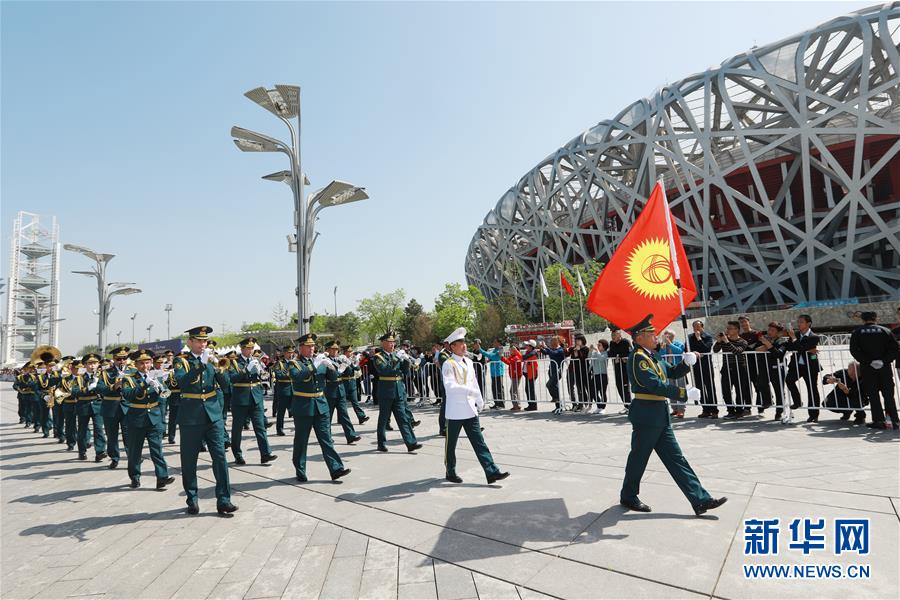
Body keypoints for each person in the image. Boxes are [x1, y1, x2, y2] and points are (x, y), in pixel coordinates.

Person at [619, 315, 727, 516]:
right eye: (651, 334)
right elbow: (654, 385)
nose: (655, 337)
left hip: (659, 415)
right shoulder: (638, 358)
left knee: (677, 459)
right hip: (647, 415)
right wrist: (684, 394)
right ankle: (628, 495)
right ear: (639, 338)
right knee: (639, 458)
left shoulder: (653, 356)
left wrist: (687, 363)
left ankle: (700, 500)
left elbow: (672, 372)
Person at [174, 326, 237, 516]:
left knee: (220, 458)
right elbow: (182, 382)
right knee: (189, 460)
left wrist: (218, 369)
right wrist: (200, 365)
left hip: (213, 415)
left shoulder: (211, 360)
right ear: (190, 342)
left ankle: (224, 500)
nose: (203, 344)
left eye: (205, 341)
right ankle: (192, 499)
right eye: (199, 341)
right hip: (191, 416)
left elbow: (226, 386)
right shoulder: (181, 361)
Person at [441, 327, 510, 484]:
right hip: (455, 411)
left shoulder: (469, 362)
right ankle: (450, 471)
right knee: (450, 445)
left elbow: (475, 383)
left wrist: (479, 399)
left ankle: (491, 471)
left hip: (470, 409)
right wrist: (469, 391)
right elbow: (449, 387)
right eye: (459, 343)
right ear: (452, 347)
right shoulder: (448, 364)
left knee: (479, 442)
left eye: (464, 342)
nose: (464, 346)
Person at [287, 334, 351, 482]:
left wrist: (336, 367)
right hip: (303, 406)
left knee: (326, 439)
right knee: (301, 441)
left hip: (321, 405)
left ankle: (336, 468)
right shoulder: (294, 364)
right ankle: (300, 469)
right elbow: (299, 376)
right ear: (301, 347)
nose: (312, 349)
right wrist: (315, 365)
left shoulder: (320, 361)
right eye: (308, 346)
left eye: (313, 346)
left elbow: (334, 378)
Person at [119, 349, 176, 490]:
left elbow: (165, 393)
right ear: (136, 364)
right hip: (136, 418)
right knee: (135, 452)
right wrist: (145, 383)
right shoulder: (129, 378)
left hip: (154, 417)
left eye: (148, 362)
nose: (146, 366)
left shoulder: (156, 375)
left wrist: (159, 387)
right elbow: (128, 395)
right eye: (142, 363)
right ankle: (135, 476)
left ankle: (162, 477)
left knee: (157, 450)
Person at [227, 337, 277, 465]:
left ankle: (265, 454)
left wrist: (262, 372)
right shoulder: (233, 363)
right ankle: (237, 454)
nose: (250, 351)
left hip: (256, 397)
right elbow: (232, 379)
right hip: (240, 398)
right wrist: (246, 370)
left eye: (251, 348)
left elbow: (263, 376)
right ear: (242, 349)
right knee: (237, 429)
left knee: (260, 427)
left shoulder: (255, 361)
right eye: (248, 348)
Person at [372, 332, 422, 452]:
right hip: (386, 391)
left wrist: (406, 361)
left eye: (393, 342)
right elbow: (385, 370)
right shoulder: (378, 357)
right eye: (389, 342)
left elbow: (403, 372)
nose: (392, 345)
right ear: (383, 343)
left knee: (403, 418)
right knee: (383, 419)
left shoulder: (396, 355)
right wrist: (398, 359)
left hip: (398, 390)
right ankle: (381, 443)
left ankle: (411, 443)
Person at [850, 311, 898, 429]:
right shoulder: (886, 331)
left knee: (873, 395)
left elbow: (854, 350)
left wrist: (868, 361)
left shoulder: (857, 332)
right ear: (876, 318)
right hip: (884, 368)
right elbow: (895, 349)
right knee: (888, 394)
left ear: (863, 320)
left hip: (868, 369)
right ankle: (894, 419)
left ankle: (879, 421)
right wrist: (883, 361)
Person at [97, 347, 133, 467]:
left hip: (127, 407)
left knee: (129, 435)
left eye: (124, 358)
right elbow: (100, 389)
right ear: (114, 359)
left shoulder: (132, 371)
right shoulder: (106, 372)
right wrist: (113, 386)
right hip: (110, 407)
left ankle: (132, 457)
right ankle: (114, 458)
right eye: (119, 359)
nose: (122, 361)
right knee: (112, 435)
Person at [784, 314, 822, 423]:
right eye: (798, 322)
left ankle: (814, 414)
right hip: (796, 365)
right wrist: (798, 344)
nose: (798, 324)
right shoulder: (795, 334)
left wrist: (796, 342)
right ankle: (797, 401)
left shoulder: (814, 336)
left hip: (810, 366)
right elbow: (791, 347)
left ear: (808, 323)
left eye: (801, 322)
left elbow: (800, 347)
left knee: (812, 389)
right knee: (789, 380)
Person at [323, 340, 361, 444]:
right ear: (328, 350)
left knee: (344, 415)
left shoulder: (339, 360)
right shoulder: (325, 361)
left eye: (336, 349)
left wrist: (348, 365)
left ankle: (351, 435)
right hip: (330, 390)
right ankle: (327, 437)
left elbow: (349, 372)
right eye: (333, 349)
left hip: (340, 390)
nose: (335, 351)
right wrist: (337, 369)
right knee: (328, 416)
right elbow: (329, 375)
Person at [713, 321, 752, 419]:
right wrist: (718, 341)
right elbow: (715, 350)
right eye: (727, 328)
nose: (728, 330)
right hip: (726, 368)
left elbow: (737, 351)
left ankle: (739, 411)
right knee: (726, 390)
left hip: (739, 368)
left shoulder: (743, 341)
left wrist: (727, 342)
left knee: (740, 390)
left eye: (730, 328)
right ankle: (730, 410)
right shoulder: (723, 340)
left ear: (737, 330)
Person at [754, 323, 789, 421]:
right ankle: (768, 401)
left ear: (778, 333)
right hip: (764, 367)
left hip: (777, 368)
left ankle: (779, 412)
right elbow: (756, 349)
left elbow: (778, 354)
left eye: (772, 330)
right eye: (769, 329)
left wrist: (768, 345)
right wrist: (769, 346)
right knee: (761, 384)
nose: (769, 332)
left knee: (779, 391)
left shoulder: (783, 341)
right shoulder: (764, 339)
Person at [688, 321, 717, 417]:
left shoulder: (708, 337)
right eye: (694, 327)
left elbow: (706, 349)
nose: (696, 329)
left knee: (710, 387)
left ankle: (714, 410)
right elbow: (686, 349)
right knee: (699, 388)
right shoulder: (690, 337)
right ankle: (705, 409)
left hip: (706, 365)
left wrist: (699, 338)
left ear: (702, 327)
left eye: (698, 326)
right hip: (696, 366)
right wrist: (694, 352)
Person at [660, 331, 686, 418]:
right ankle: (674, 409)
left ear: (672, 336)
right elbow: (660, 355)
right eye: (665, 335)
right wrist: (663, 348)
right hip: (668, 369)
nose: (666, 337)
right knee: (671, 389)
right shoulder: (663, 345)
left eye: (668, 335)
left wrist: (670, 344)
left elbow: (679, 351)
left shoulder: (678, 343)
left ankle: (681, 409)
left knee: (681, 389)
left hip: (678, 369)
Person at [341, 345, 369, 425]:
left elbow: (357, 368)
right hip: (344, 382)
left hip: (352, 382)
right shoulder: (341, 359)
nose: (351, 353)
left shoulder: (352, 359)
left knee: (355, 401)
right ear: (345, 352)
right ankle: (340, 418)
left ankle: (361, 417)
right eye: (349, 352)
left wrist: (355, 362)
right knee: (341, 402)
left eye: (351, 351)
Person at [272, 345, 296, 435]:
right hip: (283, 389)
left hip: (294, 389)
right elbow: (279, 375)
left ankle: (297, 427)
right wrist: (290, 373)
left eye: (292, 353)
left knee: (295, 410)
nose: (290, 354)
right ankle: (279, 429)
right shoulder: (279, 363)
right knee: (281, 411)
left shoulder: (294, 362)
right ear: (285, 353)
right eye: (289, 353)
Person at [540, 336, 566, 415]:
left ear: (556, 342)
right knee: (555, 387)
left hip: (557, 371)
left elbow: (553, 353)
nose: (550, 342)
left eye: (552, 341)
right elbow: (545, 352)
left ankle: (556, 399)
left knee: (549, 385)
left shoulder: (560, 350)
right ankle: (558, 406)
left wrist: (546, 347)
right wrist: (542, 347)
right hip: (551, 370)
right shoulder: (553, 349)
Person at [608, 330, 632, 411]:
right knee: (619, 386)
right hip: (617, 366)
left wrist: (622, 357)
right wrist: (617, 357)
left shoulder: (625, 342)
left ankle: (629, 405)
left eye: (614, 335)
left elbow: (630, 352)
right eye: (612, 335)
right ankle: (626, 405)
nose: (613, 337)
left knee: (625, 387)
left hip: (625, 367)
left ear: (619, 334)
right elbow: (610, 353)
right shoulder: (612, 343)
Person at [480, 339, 506, 408]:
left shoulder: (500, 349)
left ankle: (501, 404)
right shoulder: (494, 349)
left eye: (494, 342)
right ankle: (496, 403)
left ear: (498, 343)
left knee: (499, 388)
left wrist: (480, 349)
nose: (493, 343)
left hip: (498, 372)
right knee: (494, 388)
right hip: (493, 372)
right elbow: (491, 357)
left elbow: (492, 355)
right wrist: (488, 360)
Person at [567, 334, 591, 411]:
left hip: (584, 370)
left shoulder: (585, 348)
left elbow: (583, 358)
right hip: (576, 370)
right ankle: (581, 404)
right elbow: (567, 353)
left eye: (578, 340)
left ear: (582, 340)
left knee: (587, 387)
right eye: (576, 340)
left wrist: (578, 351)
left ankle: (589, 403)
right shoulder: (573, 348)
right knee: (580, 388)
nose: (577, 342)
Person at [501, 344, 523, 411]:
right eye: (510, 349)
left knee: (512, 391)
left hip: (516, 375)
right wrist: (502, 358)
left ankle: (516, 405)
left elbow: (509, 362)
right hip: (514, 375)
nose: (510, 351)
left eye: (511, 350)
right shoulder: (512, 356)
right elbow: (508, 361)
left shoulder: (516, 356)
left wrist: (502, 357)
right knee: (515, 390)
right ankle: (517, 405)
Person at [589, 340, 609, 412]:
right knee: (593, 391)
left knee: (602, 392)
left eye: (600, 345)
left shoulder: (605, 353)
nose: (598, 346)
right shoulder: (595, 353)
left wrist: (597, 350)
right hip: (595, 375)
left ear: (604, 347)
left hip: (603, 375)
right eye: (598, 344)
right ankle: (599, 406)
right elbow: (589, 357)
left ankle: (603, 408)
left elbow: (601, 358)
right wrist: (591, 350)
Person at [522, 340, 540, 411]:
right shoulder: (528, 352)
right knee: (528, 389)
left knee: (531, 390)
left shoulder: (533, 353)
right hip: (528, 374)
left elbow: (523, 357)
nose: (526, 346)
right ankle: (530, 404)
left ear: (531, 346)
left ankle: (533, 405)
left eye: (528, 345)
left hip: (531, 374)